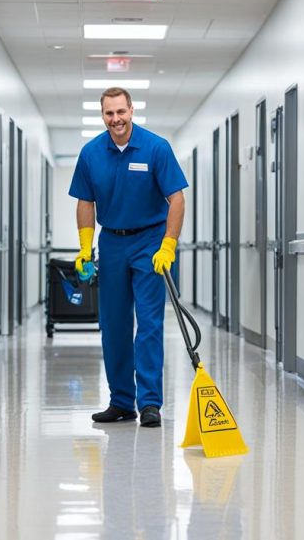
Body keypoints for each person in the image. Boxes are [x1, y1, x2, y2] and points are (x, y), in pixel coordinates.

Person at [69, 87, 187, 428]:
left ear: (131, 110)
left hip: (150, 241)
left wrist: (168, 245)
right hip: (112, 244)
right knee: (113, 325)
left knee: (149, 324)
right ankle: (121, 401)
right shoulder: (91, 153)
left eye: (121, 112)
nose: (116, 119)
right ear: (102, 115)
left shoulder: (155, 148)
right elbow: (85, 202)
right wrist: (84, 247)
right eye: (109, 113)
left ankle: (150, 402)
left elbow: (176, 199)